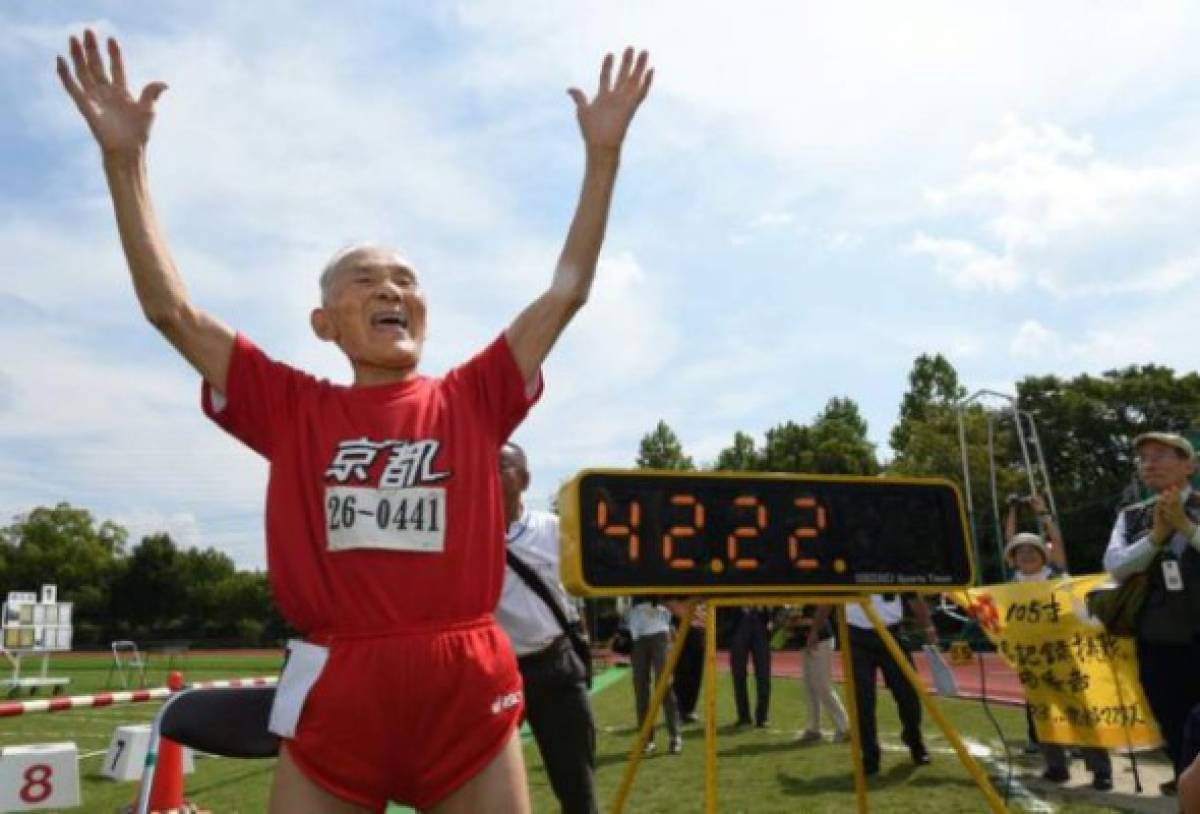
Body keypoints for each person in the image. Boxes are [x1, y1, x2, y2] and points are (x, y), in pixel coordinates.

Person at [56, 30, 652, 813]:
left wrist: (602, 157)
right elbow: (170, 311)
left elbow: (565, 293)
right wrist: (123, 162)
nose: (390, 288)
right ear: (323, 321)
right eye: (365, 279)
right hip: (337, 687)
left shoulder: (475, 396)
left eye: (405, 278)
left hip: (465, 685)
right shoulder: (292, 406)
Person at [494, 442, 596, 814]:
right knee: (489, 788)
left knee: (577, 788)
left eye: (501, 466)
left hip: (555, 668)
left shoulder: (554, 530)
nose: (490, 473)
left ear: (524, 479)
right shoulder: (469, 537)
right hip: (499, 677)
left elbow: (583, 591)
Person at [1103, 431, 1200, 796]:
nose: (1150, 463)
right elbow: (1115, 566)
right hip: (1158, 639)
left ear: (1189, 465)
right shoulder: (1132, 517)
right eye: (1144, 458)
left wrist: (1187, 527)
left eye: (1161, 454)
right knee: (1172, 722)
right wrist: (1156, 536)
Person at [1005, 495, 1112, 790]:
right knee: (1043, 714)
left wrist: (1042, 514)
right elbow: (1009, 539)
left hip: (1064, 655)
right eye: (1020, 551)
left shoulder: (1056, 575)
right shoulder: (1012, 583)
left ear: (1044, 554)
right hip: (1033, 658)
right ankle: (1056, 767)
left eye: (1033, 550)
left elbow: (1058, 542)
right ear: (1013, 558)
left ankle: (1101, 770)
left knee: (1080, 712)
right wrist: (1012, 510)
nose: (1026, 554)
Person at [813, 595, 935, 776]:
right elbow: (829, 597)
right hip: (856, 637)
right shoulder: (846, 568)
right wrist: (816, 629)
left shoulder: (891, 568)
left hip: (891, 633)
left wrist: (928, 625)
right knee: (863, 702)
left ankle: (914, 740)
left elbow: (912, 595)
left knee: (908, 694)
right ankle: (870, 758)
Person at [627, 597, 683, 754]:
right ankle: (646, 739)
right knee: (641, 689)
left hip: (659, 629)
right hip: (637, 632)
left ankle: (675, 736)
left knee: (665, 686)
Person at [799, 605, 849, 744]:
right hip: (807, 639)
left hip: (821, 639)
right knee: (809, 686)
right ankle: (813, 728)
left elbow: (819, 615)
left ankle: (844, 727)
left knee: (823, 686)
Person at [729, 605, 773, 727]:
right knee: (738, 674)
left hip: (760, 621)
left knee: (763, 674)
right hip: (739, 622)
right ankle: (743, 716)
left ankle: (762, 717)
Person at [666, 598, 706, 724]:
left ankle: (689, 710)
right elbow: (670, 603)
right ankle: (677, 710)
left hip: (697, 628)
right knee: (682, 669)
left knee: (696, 670)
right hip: (680, 626)